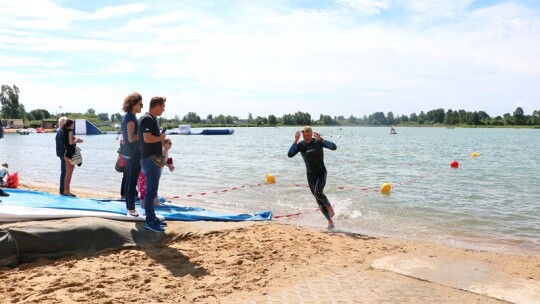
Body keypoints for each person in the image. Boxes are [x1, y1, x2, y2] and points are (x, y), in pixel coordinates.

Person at [288, 126, 337, 229]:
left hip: (321, 173)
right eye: (305, 135)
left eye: (309, 135)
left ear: (311, 134)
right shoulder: (301, 145)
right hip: (310, 175)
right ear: (303, 135)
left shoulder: (318, 142)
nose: (307, 137)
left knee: (318, 192)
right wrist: (295, 141)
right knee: (318, 199)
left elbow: (334, 147)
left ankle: (329, 206)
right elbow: (290, 154)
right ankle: (330, 221)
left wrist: (322, 140)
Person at [138, 96, 167, 232]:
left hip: (153, 158)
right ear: (157, 106)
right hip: (149, 159)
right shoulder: (147, 119)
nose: (164, 110)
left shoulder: (152, 119)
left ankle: (152, 217)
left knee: (153, 190)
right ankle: (149, 221)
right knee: (150, 191)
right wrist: (160, 138)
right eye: (163, 107)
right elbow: (147, 139)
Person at [120, 92, 144, 217]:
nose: (142, 106)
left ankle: (130, 208)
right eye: (140, 104)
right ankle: (131, 209)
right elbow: (130, 138)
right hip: (133, 154)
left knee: (130, 180)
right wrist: (143, 135)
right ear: (133, 104)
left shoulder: (128, 117)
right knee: (131, 181)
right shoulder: (130, 118)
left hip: (129, 153)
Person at [62, 119, 83, 197]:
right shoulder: (70, 131)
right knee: (69, 174)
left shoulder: (64, 131)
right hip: (70, 154)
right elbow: (71, 142)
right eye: (73, 124)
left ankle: (66, 190)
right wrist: (77, 141)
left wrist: (76, 140)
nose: (74, 125)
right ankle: (67, 191)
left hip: (66, 153)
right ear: (70, 124)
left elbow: (66, 143)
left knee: (68, 173)